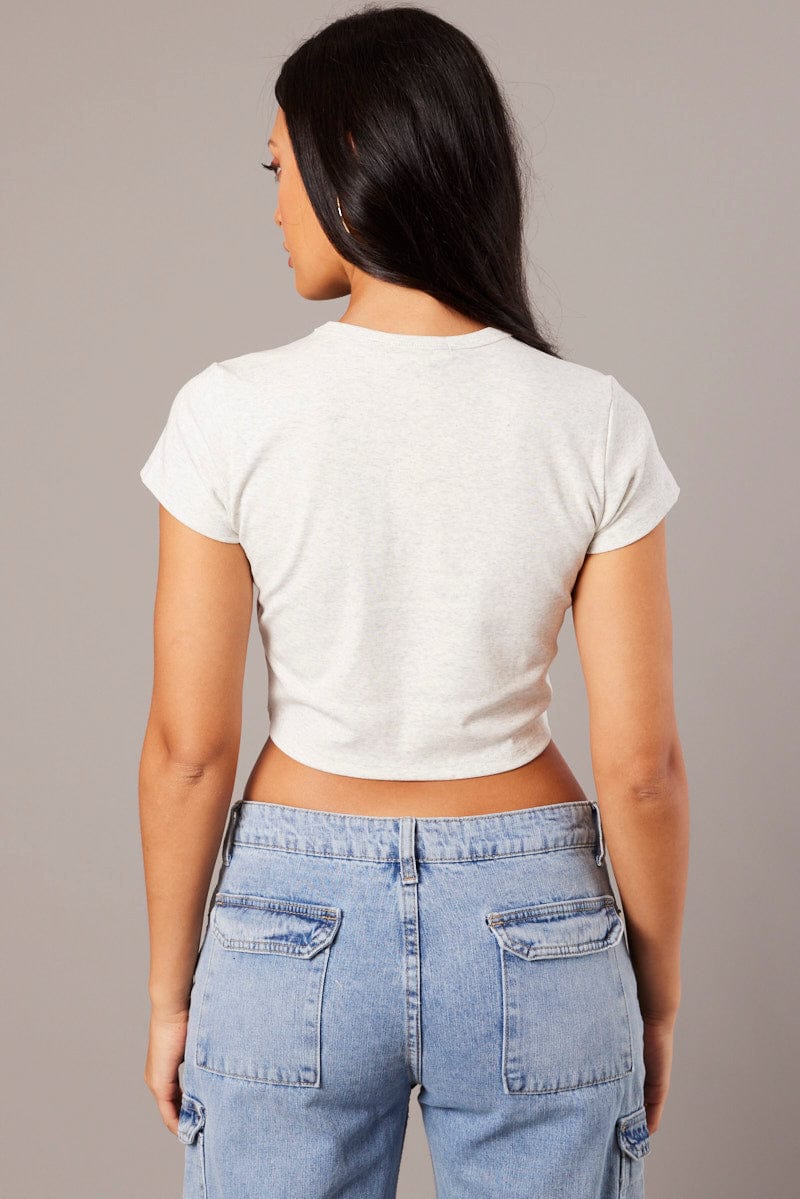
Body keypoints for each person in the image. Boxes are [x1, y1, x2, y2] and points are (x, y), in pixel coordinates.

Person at [138, 6, 688, 1196]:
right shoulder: (590, 419)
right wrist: (650, 999)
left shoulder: (228, 411)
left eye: (279, 170)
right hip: (534, 925)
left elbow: (188, 750)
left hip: (289, 922)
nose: (273, 208)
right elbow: (640, 767)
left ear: (347, 156)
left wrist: (172, 991)